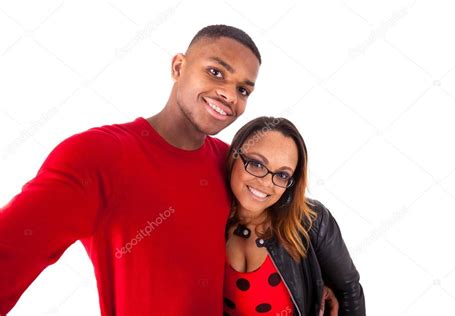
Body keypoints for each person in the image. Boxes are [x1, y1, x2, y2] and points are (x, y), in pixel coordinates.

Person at [0, 25, 261, 315]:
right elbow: (9, 250)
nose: (229, 95)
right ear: (178, 67)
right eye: (216, 72)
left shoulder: (233, 166)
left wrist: (321, 280)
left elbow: (281, 236)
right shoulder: (98, 155)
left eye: (243, 89)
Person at [223, 117, 365, 315]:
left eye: (282, 175)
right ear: (233, 155)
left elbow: (348, 288)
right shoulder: (207, 217)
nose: (266, 183)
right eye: (256, 164)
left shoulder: (312, 221)